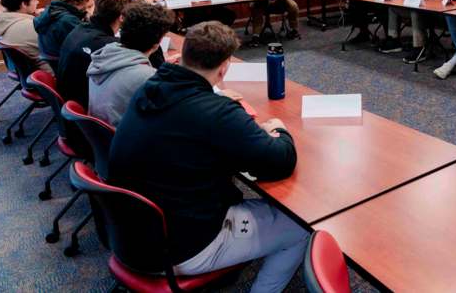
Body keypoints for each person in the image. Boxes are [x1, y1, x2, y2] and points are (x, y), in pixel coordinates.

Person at [108, 21, 307, 290]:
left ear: (183, 55)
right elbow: (280, 162)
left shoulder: (149, 86)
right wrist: (280, 131)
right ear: (224, 67)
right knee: (300, 227)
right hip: (179, 250)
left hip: (128, 236)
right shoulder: (215, 113)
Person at [87, 3, 175, 126]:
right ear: (159, 42)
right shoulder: (147, 77)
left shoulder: (104, 55)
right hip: (128, 140)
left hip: (103, 137)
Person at [57, 0, 139, 106]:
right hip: (87, 108)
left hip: (70, 103)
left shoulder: (80, 29)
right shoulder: (108, 45)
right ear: (122, 17)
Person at [34, 0, 100, 62]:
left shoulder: (52, 11)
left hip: (54, 66)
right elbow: (92, 45)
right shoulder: (67, 21)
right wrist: (91, 17)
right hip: (68, 70)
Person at [0, 0, 52, 73]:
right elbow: (58, 48)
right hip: (53, 75)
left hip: (33, 75)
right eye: (35, 0)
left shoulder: (4, 23)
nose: (38, 2)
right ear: (24, 4)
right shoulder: (32, 26)